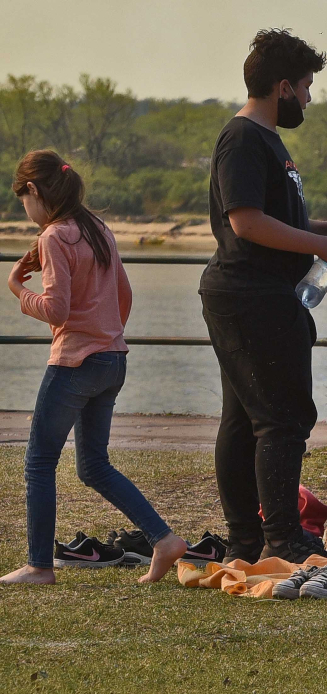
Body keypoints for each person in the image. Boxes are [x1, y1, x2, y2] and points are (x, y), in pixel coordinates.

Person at [199, 29, 327, 564]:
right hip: (251, 295)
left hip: (261, 294)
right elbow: (245, 223)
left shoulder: (267, 140)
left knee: (245, 419)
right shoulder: (244, 139)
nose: (310, 97)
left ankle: (246, 543)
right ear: (282, 87)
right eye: (306, 85)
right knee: (284, 418)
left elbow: (274, 218)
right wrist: (322, 245)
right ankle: (277, 539)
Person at [1, 150, 188, 585]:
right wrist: (107, 337)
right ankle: (163, 539)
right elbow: (124, 295)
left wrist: (15, 288)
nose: (25, 211)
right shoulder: (98, 229)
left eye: (22, 201)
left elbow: (57, 309)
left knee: (39, 460)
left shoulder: (53, 237)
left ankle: (39, 566)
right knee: (93, 466)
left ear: (33, 190)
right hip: (112, 359)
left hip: (75, 363)